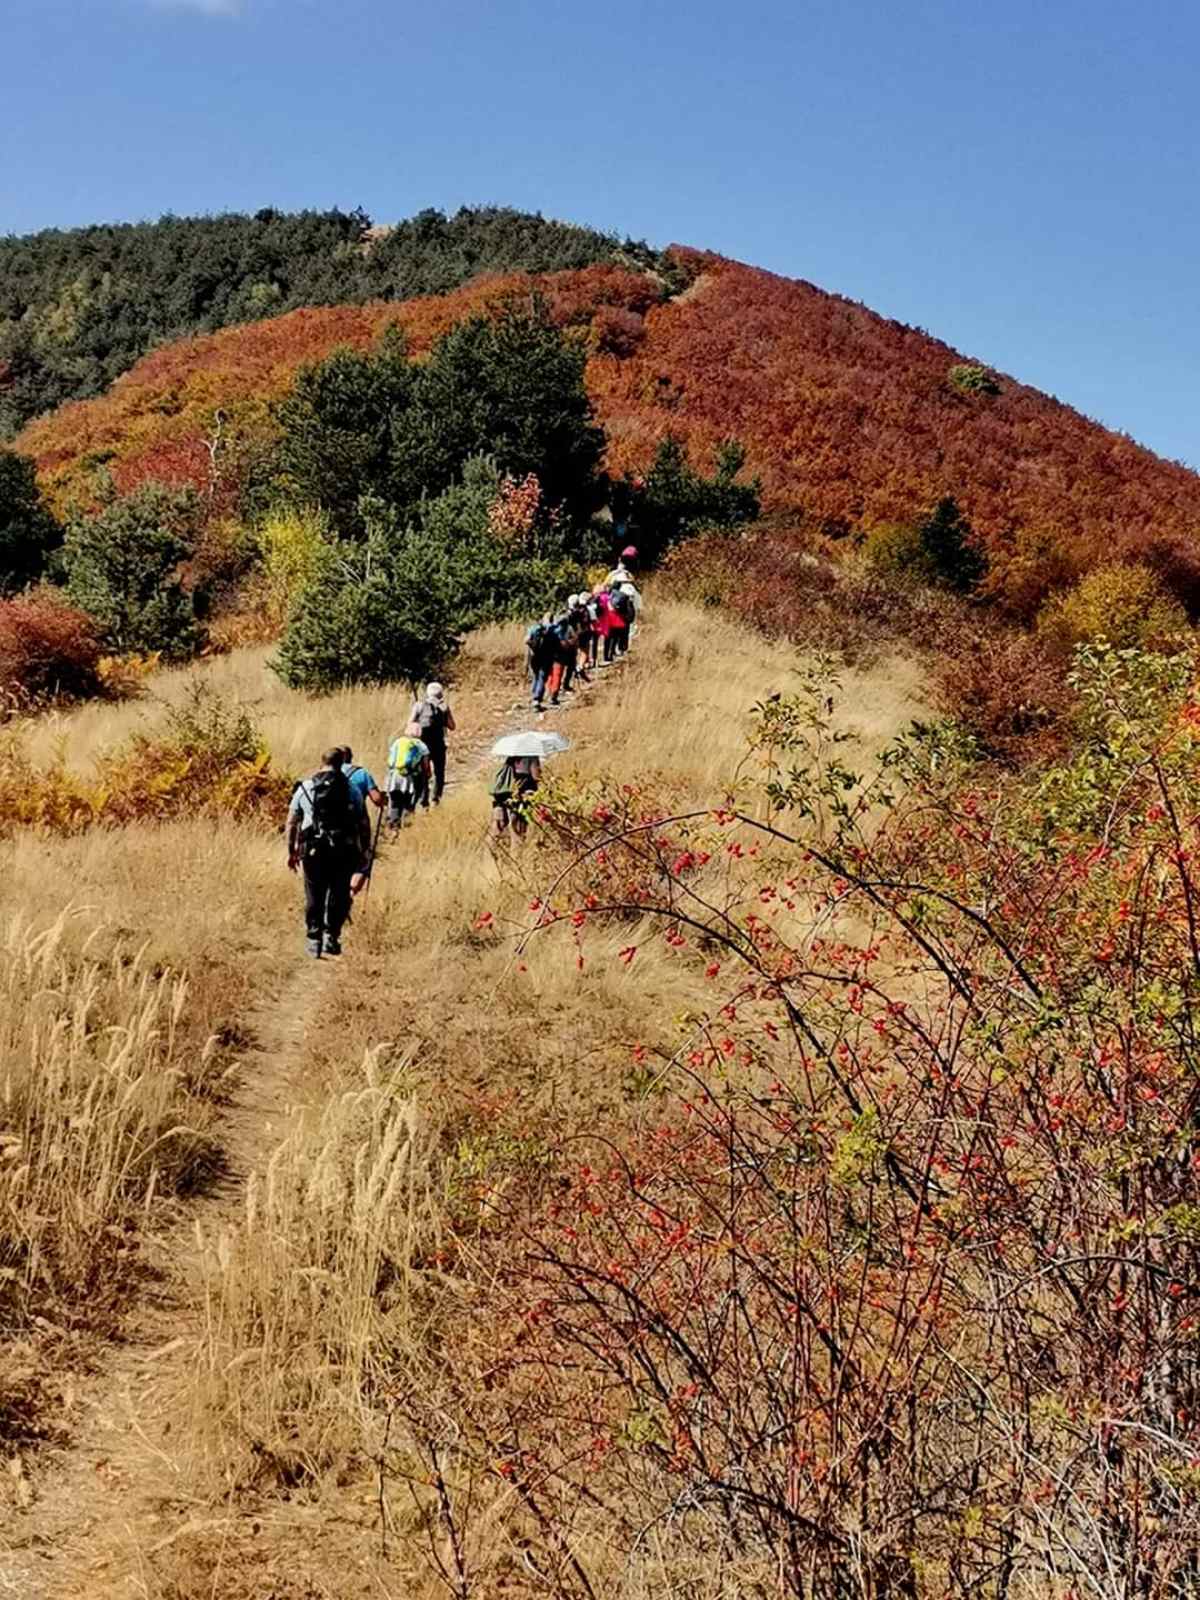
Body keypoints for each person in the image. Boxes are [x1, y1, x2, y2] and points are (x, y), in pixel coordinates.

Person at [287, 747, 363, 959]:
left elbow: (292, 821)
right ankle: (332, 936)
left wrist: (291, 851)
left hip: (313, 849)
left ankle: (314, 939)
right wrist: (364, 851)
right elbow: (362, 821)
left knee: (314, 892)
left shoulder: (306, 787)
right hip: (343, 849)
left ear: (321, 762)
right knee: (339, 892)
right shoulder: (351, 788)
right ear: (342, 763)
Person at [408, 682, 456, 805]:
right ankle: (436, 799)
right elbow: (452, 726)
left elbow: (410, 724)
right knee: (439, 773)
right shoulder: (444, 707)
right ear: (441, 694)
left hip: (422, 745)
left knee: (424, 772)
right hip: (439, 744)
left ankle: (423, 800)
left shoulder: (419, 705)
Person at [386, 722, 432, 828]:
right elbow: (426, 766)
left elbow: (391, 760)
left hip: (394, 777)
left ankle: (394, 826)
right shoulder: (421, 745)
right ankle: (406, 826)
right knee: (408, 803)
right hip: (410, 778)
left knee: (395, 802)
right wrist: (427, 775)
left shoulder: (398, 742)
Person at [490, 753, 541, 839]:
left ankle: (503, 836)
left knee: (509, 818)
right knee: (520, 821)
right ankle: (518, 841)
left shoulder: (511, 756)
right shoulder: (531, 755)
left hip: (510, 790)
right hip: (525, 791)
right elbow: (535, 775)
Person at [526, 615, 558, 712]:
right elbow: (556, 645)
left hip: (534, 657)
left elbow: (526, 640)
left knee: (536, 676)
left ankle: (534, 696)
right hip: (547, 658)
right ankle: (537, 699)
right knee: (542, 678)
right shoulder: (552, 631)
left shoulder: (532, 629)